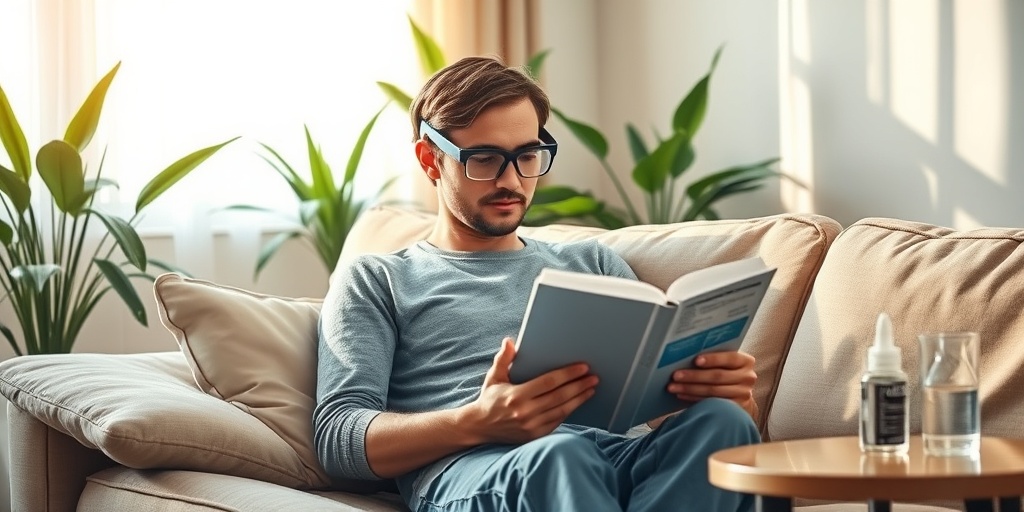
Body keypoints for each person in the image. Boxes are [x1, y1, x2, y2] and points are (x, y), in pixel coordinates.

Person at [314, 55, 760, 512]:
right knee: (558, 457)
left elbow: (655, 406)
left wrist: (725, 394)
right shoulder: (378, 278)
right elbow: (338, 435)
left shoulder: (594, 263)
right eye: (485, 159)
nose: (511, 181)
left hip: (617, 457)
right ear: (431, 159)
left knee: (722, 424)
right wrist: (478, 421)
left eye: (527, 156)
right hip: (479, 464)